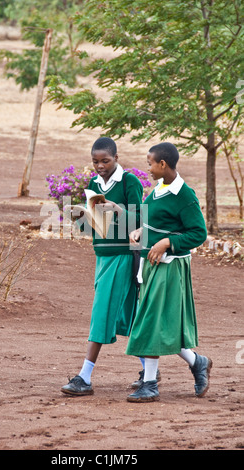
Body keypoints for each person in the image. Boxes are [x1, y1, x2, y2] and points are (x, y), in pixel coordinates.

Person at [126, 142, 212, 402]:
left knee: (152, 321)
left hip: (170, 267)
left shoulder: (184, 195)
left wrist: (167, 243)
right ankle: (197, 362)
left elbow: (198, 233)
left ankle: (150, 384)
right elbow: (155, 219)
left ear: (163, 164)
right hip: (152, 265)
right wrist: (143, 231)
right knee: (159, 323)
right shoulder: (159, 189)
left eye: (150, 163)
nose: (147, 167)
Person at [61, 136, 146, 396]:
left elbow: (141, 222)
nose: (100, 166)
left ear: (116, 158)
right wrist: (79, 218)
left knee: (102, 313)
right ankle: (152, 370)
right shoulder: (94, 184)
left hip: (123, 256)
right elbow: (94, 229)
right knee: (129, 316)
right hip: (103, 257)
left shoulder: (129, 182)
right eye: (95, 161)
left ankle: (84, 377)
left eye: (105, 160)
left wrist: (117, 209)